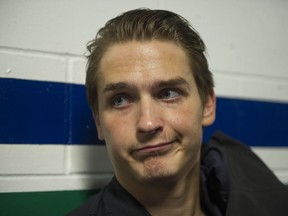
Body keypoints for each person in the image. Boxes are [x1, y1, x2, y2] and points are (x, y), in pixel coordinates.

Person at [67, 8, 288, 216]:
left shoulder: (268, 198)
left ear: (207, 106)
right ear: (98, 123)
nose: (148, 122)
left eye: (168, 94)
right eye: (120, 99)